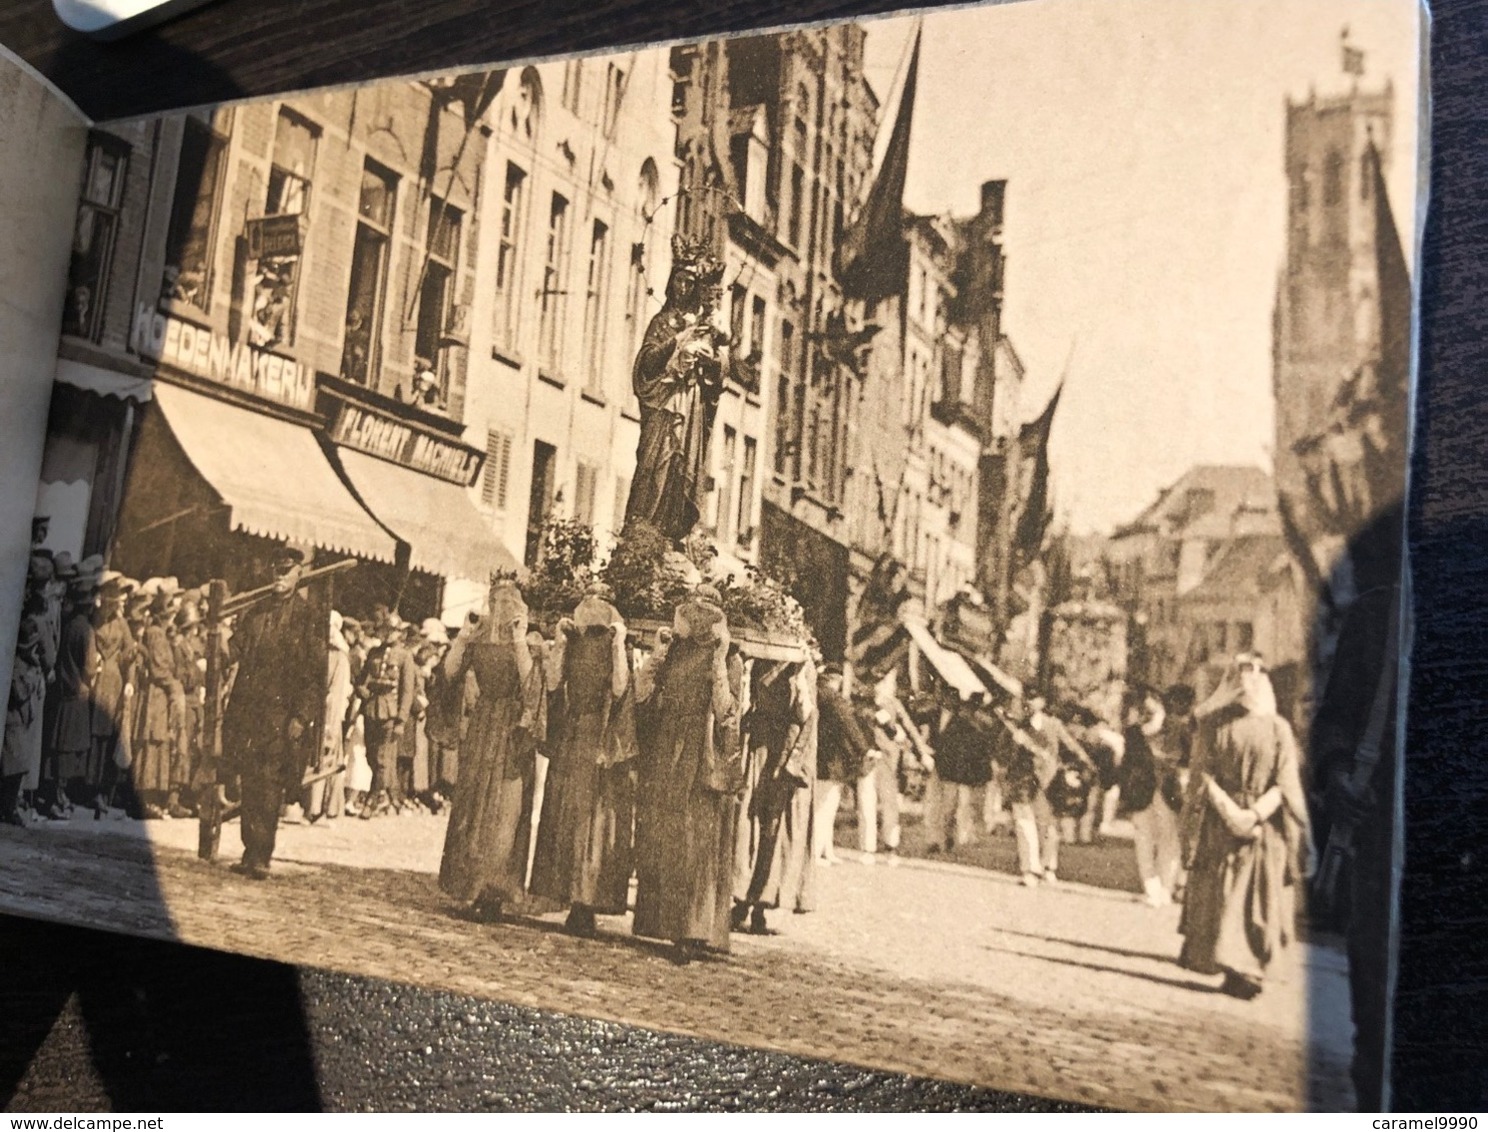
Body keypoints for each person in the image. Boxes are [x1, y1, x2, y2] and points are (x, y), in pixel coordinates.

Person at [1179, 653, 1312, 999]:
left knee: (1225, 892)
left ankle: (1233, 967)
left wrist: (1233, 814)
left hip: (1223, 824)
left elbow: (1201, 780)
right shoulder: (1278, 728)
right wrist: (1254, 816)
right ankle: (1247, 968)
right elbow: (1286, 786)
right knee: (1257, 896)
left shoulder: (1213, 726)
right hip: (1263, 828)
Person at [633, 584, 742, 962]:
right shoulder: (675, 651)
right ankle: (663, 921)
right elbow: (645, 695)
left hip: (701, 750)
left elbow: (727, 710)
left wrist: (720, 657)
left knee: (696, 838)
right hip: (668, 746)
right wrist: (658, 654)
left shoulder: (729, 658)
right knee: (669, 835)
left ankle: (692, 929)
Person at [530, 587, 638, 937]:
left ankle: (586, 902)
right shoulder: (573, 642)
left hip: (600, 736)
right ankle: (566, 894)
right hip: (573, 732)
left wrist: (619, 643)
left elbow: (621, 689)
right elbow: (554, 681)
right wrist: (560, 643)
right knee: (568, 814)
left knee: (592, 819)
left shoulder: (616, 645)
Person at [438, 581, 546, 922]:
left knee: (505, 808)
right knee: (474, 804)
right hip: (484, 726)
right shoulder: (480, 637)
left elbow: (533, 687)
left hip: (512, 729)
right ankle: (470, 885)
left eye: (508, 600)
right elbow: (449, 674)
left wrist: (518, 640)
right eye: (495, 600)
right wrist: (463, 636)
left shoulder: (529, 641)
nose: (501, 606)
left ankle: (495, 892)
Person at [220, 541, 325, 879]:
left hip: (282, 717)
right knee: (250, 782)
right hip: (249, 713)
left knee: (269, 784)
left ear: (299, 574)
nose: (280, 576)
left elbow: (315, 674)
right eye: (276, 570)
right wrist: (217, 642)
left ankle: (261, 854)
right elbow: (234, 648)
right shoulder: (257, 611)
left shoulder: (308, 618)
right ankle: (251, 850)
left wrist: (301, 717)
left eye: (287, 571)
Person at [624, 235, 732, 544]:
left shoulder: (706, 322)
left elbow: (722, 365)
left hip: (691, 406)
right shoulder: (662, 321)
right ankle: (641, 534)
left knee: (681, 469)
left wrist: (711, 360)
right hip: (663, 405)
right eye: (679, 281)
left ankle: (670, 537)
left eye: (689, 283)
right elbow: (646, 363)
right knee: (652, 466)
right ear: (672, 283)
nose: (683, 288)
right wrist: (677, 340)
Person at [733, 655, 818, 934]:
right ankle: (743, 898)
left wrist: (790, 762)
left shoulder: (802, 667)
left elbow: (806, 715)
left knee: (772, 831)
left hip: (781, 753)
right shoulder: (758, 661)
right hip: (757, 748)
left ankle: (759, 904)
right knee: (748, 825)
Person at [1118, 687, 1182, 907]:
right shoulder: (1133, 733)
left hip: (1169, 791)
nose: (1144, 709)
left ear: (1159, 703)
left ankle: (1166, 888)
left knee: (1169, 840)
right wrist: (1126, 791)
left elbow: (1186, 760)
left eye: (1148, 704)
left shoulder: (1175, 729)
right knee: (1143, 840)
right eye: (1141, 706)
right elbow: (1126, 764)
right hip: (1141, 792)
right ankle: (1151, 888)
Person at [355, 616, 417, 817]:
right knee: (370, 756)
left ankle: (373, 799)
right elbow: (362, 678)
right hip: (372, 708)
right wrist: (361, 689)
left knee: (382, 758)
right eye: (385, 630)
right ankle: (380, 793)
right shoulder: (374, 652)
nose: (388, 634)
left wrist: (401, 720)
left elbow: (407, 691)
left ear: (399, 633)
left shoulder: (405, 656)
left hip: (390, 712)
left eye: (392, 630)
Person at [813, 663, 868, 865]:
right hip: (830, 762)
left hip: (821, 760)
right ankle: (817, 852)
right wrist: (863, 748)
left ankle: (826, 849)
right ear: (835, 680)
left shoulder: (817, 693)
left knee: (827, 804)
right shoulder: (833, 698)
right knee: (825, 807)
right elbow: (848, 724)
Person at [306, 610, 354, 823]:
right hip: (312, 712)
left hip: (328, 715)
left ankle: (319, 807)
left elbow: (336, 693)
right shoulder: (317, 652)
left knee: (325, 757)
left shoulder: (339, 657)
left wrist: (330, 725)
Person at [856, 690, 906, 864]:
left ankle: (891, 847)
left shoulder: (892, 704)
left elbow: (901, 731)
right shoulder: (861, 706)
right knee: (866, 803)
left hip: (887, 761)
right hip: (868, 759)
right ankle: (868, 848)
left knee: (889, 804)